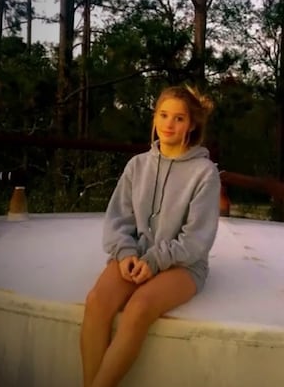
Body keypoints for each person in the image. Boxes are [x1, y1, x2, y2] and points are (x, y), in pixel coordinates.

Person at [79, 85, 221, 387]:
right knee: (96, 302)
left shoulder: (204, 173)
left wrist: (155, 260)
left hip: (183, 265)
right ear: (154, 117)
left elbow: (196, 239)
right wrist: (126, 253)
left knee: (139, 308)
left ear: (192, 124)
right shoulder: (137, 165)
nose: (169, 124)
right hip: (135, 255)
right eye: (163, 115)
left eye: (179, 118)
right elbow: (119, 219)